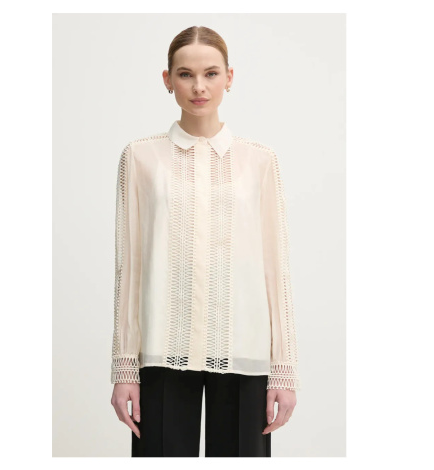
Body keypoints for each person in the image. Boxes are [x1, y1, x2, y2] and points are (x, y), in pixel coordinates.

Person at [110, 25, 301, 457]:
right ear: (167, 79)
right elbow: (129, 268)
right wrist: (124, 367)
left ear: (229, 77)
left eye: (211, 73)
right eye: (185, 74)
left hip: (244, 348)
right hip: (162, 348)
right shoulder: (140, 157)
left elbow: (275, 268)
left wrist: (284, 369)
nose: (199, 86)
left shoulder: (260, 160)